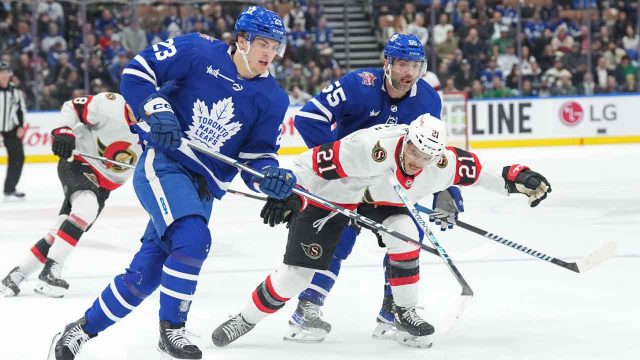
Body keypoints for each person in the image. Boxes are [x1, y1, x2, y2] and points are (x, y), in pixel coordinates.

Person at [51, 6, 293, 360]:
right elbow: (138, 71)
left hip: (203, 188)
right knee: (194, 239)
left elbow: (256, 158)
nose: (269, 54)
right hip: (165, 164)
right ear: (242, 40)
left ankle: (80, 329)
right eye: (263, 44)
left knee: (144, 275)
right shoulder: (197, 49)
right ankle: (173, 331)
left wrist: (273, 178)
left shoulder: (273, 98)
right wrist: (155, 107)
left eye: (275, 47)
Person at [210, 114, 551, 349]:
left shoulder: (439, 163)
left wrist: (517, 177)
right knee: (297, 275)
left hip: (386, 201)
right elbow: (309, 163)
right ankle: (245, 318)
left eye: (427, 157)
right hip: (338, 194)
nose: (418, 161)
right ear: (406, 141)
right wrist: (291, 192)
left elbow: (482, 170)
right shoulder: (367, 148)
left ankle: (404, 311)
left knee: (406, 236)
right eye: (415, 152)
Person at [284, 33, 455, 343]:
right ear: (386, 63)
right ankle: (307, 308)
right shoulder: (357, 84)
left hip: (389, 191)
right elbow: (309, 118)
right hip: (350, 184)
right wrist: (338, 167)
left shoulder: (428, 98)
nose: (409, 73)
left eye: (416, 66)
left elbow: (434, 149)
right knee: (338, 239)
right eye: (402, 64)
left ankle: (394, 312)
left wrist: (448, 191)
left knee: (405, 237)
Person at [0, 92, 141, 298]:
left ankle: (17, 274)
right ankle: (50, 271)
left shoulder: (157, 127)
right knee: (86, 207)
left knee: (63, 229)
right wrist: (64, 130)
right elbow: (73, 106)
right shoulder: (109, 104)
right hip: (79, 162)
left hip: (104, 186)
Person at [0, 60, 27, 198]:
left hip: (10, 128)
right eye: (1, 73)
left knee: (18, 157)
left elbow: (20, 110)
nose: (4, 75)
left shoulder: (14, 90)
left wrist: (21, 125)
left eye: (6, 72)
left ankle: (10, 188)